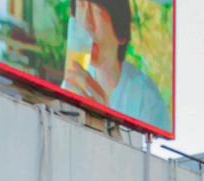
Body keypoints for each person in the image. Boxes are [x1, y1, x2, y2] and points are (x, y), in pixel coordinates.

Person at [63, 0, 171, 129]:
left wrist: (104, 121)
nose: (86, 23)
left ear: (121, 35)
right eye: (81, 6)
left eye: (98, 11)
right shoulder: (75, 80)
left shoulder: (148, 101)